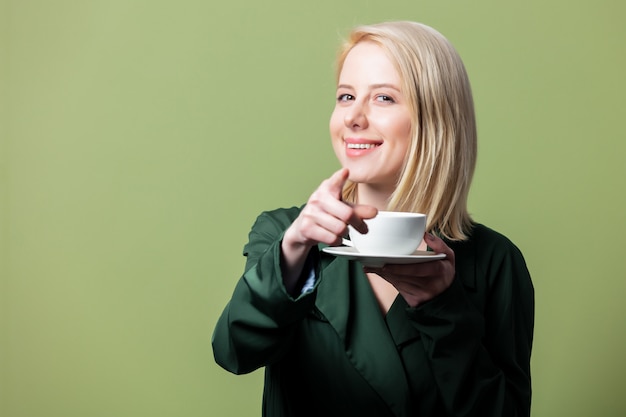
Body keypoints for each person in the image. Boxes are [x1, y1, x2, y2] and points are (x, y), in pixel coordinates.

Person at [212, 20, 534, 417]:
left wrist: (442, 309)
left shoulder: (494, 261)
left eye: (383, 98)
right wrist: (293, 255)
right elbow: (233, 352)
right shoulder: (283, 234)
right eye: (346, 96)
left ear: (435, 119)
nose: (353, 117)